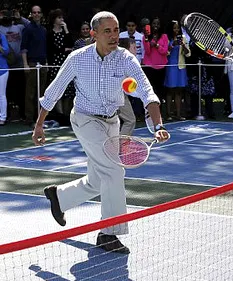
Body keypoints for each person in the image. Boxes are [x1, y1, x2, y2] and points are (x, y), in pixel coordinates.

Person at [32, 11, 170, 254]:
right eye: (107, 31)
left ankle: (59, 197)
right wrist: (40, 124)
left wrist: (158, 126)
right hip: (85, 120)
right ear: (94, 34)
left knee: (99, 180)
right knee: (114, 170)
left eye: (116, 30)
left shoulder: (125, 58)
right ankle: (109, 233)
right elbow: (54, 91)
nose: (114, 35)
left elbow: (147, 91)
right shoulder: (78, 58)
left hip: (111, 123)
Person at [117, 37, 137, 135]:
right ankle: (121, 145)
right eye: (134, 48)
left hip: (118, 94)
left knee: (111, 122)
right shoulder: (126, 62)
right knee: (130, 120)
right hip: (117, 94)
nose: (136, 51)